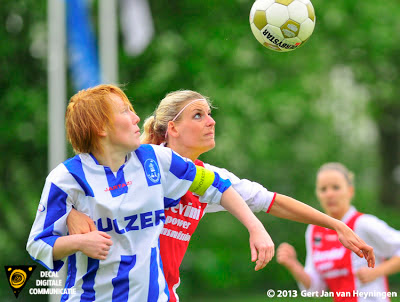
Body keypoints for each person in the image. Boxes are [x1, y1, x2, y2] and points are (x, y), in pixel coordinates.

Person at [67, 90, 375, 302]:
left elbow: (271, 201)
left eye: (210, 114)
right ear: (172, 128)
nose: (211, 121)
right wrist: (72, 212)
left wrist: (336, 225)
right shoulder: (141, 161)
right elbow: (76, 179)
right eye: (198, 115)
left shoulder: (211, 178)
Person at [26, 84, 275, 302]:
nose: (136, 118)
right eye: (125, 111)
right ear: (100, 127)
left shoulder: (157, 160)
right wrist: (79, 242)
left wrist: (256, 228)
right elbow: (38, 244)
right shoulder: (66, 179)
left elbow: (217, 186)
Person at [277, 162, 400, 302]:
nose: (329, 194)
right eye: (323, 189)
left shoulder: (364, 224)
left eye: (336, 187)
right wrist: (293, 264)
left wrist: (378, 271)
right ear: (317, 194)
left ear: (350, 191)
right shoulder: (313, 231)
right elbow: (316, 290)